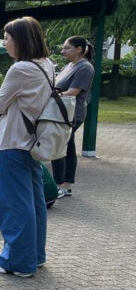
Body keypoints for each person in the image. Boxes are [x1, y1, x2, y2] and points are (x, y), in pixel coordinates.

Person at [0, 16, 54, 277]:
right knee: (34, 201)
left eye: (7, 38)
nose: (4, 43)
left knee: (14, 203)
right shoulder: (47, 64)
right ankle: (35, 256)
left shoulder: (20, 69)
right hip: (33, 141)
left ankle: (16, 261)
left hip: (13, 141)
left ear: (21, 40)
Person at [51, 36, 96, 198]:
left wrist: (51, 95)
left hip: (72, 114)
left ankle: (61, 184)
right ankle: (63, 184)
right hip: (61, 112)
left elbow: (73, 92)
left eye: (67, 48)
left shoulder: (85, 68)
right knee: (65, 145)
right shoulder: (70, 65)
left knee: (60, 146)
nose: (63, 51)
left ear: (78, 49)